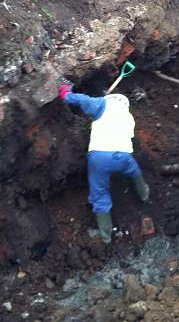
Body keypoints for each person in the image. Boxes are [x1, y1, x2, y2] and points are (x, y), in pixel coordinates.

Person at [58, 83, 150, 244]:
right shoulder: (128, 117)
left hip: (100, 157)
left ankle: (106, 236)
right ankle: (144, 194)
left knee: (100, 194)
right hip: (123, 156)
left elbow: (83, 100)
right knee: (134, 170)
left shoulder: (103, 103)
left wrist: (66, 94)